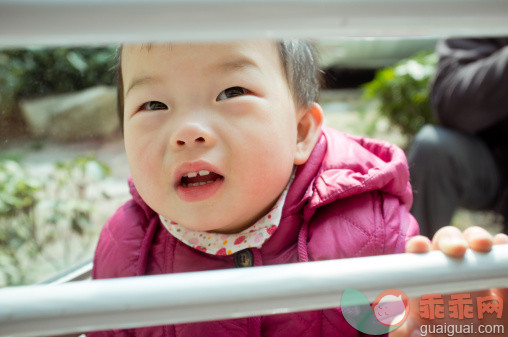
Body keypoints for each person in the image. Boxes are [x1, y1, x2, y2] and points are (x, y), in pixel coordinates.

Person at [88, 40, 506, 337]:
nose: (188, 132)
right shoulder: (125, 251)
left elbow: (397, 324)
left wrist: (462, 316)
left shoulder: (369, 234)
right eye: (153, 105)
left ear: (301, 131)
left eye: (231, 92)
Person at [408, 37, 508, 238]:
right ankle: (417, 262)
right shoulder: (485, 12)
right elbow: (450, 101)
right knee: (433, 148)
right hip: (497, 161)